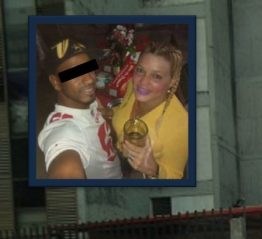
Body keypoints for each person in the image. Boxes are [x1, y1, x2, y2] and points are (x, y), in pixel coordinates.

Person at [38, 38, 122, 179]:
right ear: (56, 82)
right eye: (74, 74)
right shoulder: (64, 131)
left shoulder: (87, 101)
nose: (89, 79)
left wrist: (108, 115)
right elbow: (66, 169)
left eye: (89, 68)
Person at [112, 40, 188, 179]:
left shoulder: (181, 125)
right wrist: (108, 112)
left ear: (172, 81)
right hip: (115, 162)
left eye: (156, 76)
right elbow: (121, 109)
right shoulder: (132, 86)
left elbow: (175, 177)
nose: (143, 82)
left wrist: (154, 169)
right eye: (140, 70)